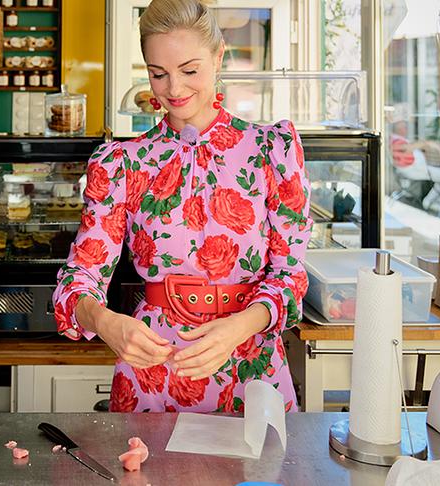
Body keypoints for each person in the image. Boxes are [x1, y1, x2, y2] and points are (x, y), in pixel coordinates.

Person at [52, 0, 310, 413]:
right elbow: (78, 278)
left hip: (251, 366)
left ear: (218, 56)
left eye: (190, 70)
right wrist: (105, 322)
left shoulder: (271, 151)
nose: (173, 89)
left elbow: (291, 275)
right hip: (155, 371)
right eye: (158, 74)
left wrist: (239, 327)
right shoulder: (123, 163)